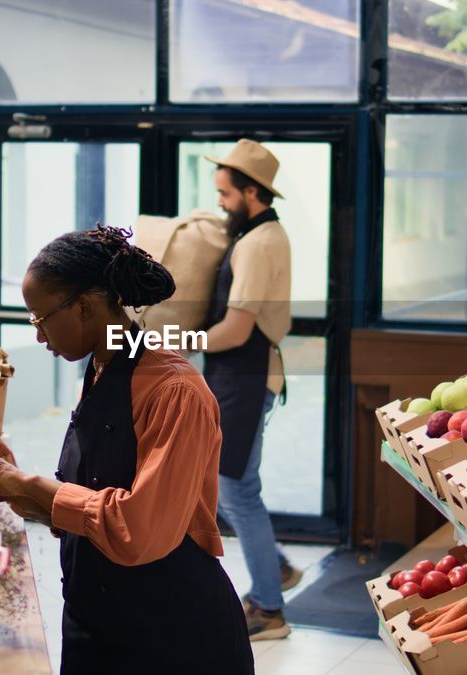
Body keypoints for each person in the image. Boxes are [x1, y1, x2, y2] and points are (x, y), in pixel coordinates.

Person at [0, 225, 254, 674]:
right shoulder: (102, 368)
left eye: (40, 319)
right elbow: (91, 505)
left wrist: (34, 486)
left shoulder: (174, 389)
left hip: (173, 638)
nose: (39, 335)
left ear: (82, 306)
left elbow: (138, 529)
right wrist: (19, 489)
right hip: (101, 622)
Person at [200, 139, 300, 641]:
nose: (219, 201)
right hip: (239, 376)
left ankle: (268, 609)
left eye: (225, 193)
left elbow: (236, 331)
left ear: (252, 192)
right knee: (222, 484)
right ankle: (275, 569)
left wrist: (168, 340)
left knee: (237, 490)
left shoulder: (258, 244)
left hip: (244, 374)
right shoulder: (262, 234)